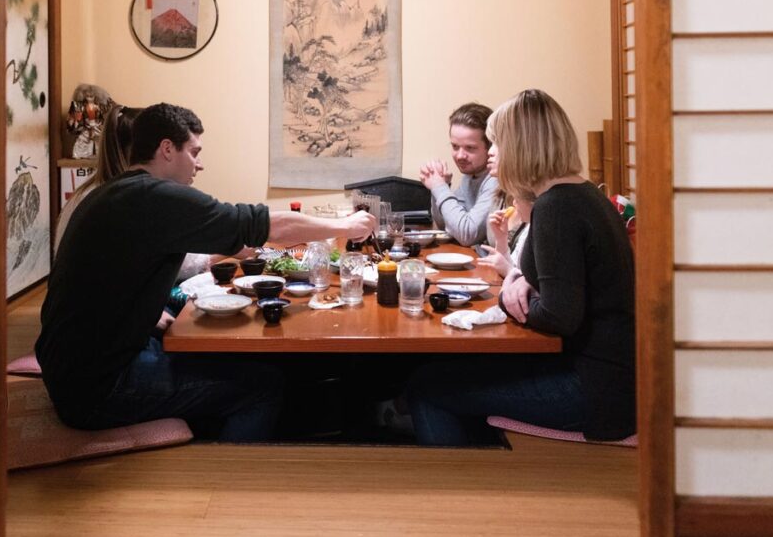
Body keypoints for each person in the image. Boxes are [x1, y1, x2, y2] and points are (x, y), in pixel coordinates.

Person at [36, 103, 377, 442]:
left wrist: (142, 317)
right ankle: (226, 483)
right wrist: (344, 225)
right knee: (262, 386)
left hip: (71, 368)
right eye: (194, 152)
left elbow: (99, 285)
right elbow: (269, 224)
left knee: (214, 352)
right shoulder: (156, 198)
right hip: (98, 388)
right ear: (167, 149)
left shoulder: (115, 193)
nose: (200, 164)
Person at [406, 89, 636, 446]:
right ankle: (484, 467)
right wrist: (521, 282)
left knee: (427, 386)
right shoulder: (580, 193)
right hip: (603, 374)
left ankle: (456, 492)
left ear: (522, 146)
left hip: (592, 388)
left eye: (496, 142)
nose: (491, 152)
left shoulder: (557, 206)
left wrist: (510, 297)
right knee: (452, 372)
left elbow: (559, 316)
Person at [54, 106, 251, 282]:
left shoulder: (106, 192)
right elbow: (184, 265)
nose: (199, 165)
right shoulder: (124, 200)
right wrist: (237, 245)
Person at [419, 102, 502, 247]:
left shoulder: (496, 179)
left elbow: (467, 234)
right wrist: (440, 188)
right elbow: (445, 224)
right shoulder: (471, 174)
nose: (460, 156)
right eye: (455, 146)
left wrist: (439, 187)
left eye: (470, 148)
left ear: (489, 147)